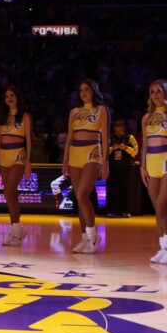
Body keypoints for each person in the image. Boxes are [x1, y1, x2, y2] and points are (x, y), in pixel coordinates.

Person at [61, 79, 110, 254]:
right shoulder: (74, 112)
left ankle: (93, 236)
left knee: (82, 194)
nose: (83, 93)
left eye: (87, 89)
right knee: (80, 198)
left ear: (94, 91)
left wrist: (106, 162)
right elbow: (69, 137)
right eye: (81, 90)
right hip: (75, 155)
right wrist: (65, 161)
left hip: (93, 153)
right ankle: (85, 239)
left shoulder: (101, 110)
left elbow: (105, 137)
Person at [140, 80, 167, 264]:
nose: (155, 95)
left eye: (159, 91)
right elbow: (144, 145)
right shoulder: (146, 118)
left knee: (161, 207)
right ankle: (163, 247)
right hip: (151, 165)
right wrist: (142, 167)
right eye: (152, 92)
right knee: (157, 210)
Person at [0, 85, 33, 246]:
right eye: (7, 96)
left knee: (7, 191)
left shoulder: (25, 116)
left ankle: (17, 231)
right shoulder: (1, 118)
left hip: (18, 156)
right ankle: (16, 231)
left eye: (12, 95)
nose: (9, 98)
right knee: (11, 194)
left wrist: (28, 163)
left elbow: (29, 141)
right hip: (4, 158)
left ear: (17, 97)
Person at [107, 118, 139, 217]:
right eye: (117, 129)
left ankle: (126, 211)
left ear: (123, 128)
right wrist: (113, 148)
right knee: (112, 189)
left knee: (125, 189)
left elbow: (135, 151)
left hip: (125, 167)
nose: (118, 131)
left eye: (120, 129)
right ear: (114, 128)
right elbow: (104, 151)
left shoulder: (130, 137)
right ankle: (111, 211)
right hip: (112, 167)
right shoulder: (110, 137)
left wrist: (125, 148)